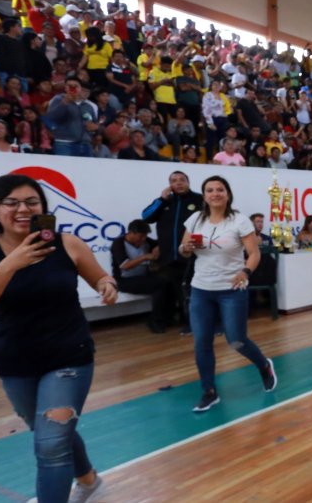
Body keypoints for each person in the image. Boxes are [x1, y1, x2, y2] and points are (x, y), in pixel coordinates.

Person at [0, 174, 118, 503]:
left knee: (51, 444)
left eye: (32, 202)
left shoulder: (67, 243)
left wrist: (107, 285)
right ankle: (88, 481)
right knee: (51, 433)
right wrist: (10, 264)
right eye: (11, 202)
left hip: (69, 355)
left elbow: (100, 277)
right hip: (15, 362)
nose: (23, 209)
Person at [179, 175, 277, 412]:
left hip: (232, 289)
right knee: (201, 341)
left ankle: (264, 365)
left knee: (236, 340)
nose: (215, 193)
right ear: (204, 196)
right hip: (201, 288)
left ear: (227, 194)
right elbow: (183, 251)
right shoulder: (194, 220)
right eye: (210, 190)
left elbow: (254, 254)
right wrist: (186, 248)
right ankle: (209, 391)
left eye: (220, 189)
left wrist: (245, 272)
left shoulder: (239, 220)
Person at [141, 171, 204, 335]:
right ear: (170, 184)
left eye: (182, 180)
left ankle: (193, 323)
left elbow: (210, 223)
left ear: (188, 182)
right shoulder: (164, 202)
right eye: (174, 181)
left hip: (192, 256)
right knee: (165, 291)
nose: (178, 183)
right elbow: (146, 217)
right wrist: (162, 199)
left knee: (190, 292)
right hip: (168, 257)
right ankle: (162, 321)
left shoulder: (199, 200)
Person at [110, 220, 176, 333]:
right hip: (124, 280)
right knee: (159, 284)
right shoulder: (118, 243)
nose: (143, 239)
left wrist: (158, 247)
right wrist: (145, 257)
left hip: (143, 277)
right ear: (131, 233)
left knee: (168, 282)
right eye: (141, 236)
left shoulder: (146, 241)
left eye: (145, 236)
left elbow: (162, 244)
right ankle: (156, 320)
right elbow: (125, 266)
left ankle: (166, 317)